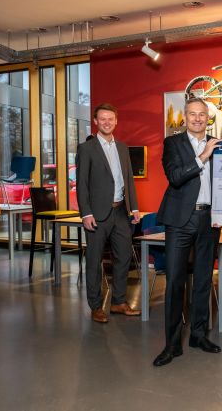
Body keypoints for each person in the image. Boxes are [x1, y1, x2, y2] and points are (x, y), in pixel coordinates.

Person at [153, 97, 222, 367]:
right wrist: (203, 156)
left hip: (209, 219)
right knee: (174, 282)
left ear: (208, 117)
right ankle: (171, 345)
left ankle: (198, 335)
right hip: (180, 220)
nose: (197, 118)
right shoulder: (173, 143)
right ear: (185, 117)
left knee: (204, 280)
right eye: (192, 114)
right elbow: (176, 177)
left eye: (202, 114)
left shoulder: (219, 144)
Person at [76, 103, 141, 323]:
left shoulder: (122, 147)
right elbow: (82, 184)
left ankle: (118, 302)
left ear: (116, 121)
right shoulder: (86, 149)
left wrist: (134, 207)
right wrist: (86, 213)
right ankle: (95, 306)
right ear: (95, 121)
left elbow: (129, 179)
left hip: (121, 211)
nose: (107, 122)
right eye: (102, 119)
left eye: (110, 119)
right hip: (97, 214)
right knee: (94, 261)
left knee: (123, 258)